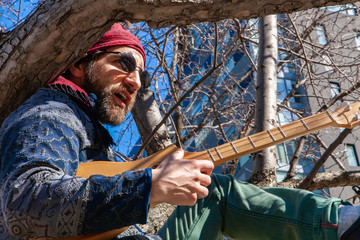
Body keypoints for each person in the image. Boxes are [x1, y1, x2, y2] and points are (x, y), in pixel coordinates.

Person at [0, 23, 359, 240]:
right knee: (213, 193)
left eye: (142, 74)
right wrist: (152, 186)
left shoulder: (90, 137)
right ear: (79, 64)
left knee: (205, 191)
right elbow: (22, 203)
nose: (135, 81)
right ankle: (341, 224)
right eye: (124, 63)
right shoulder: (54, 112)